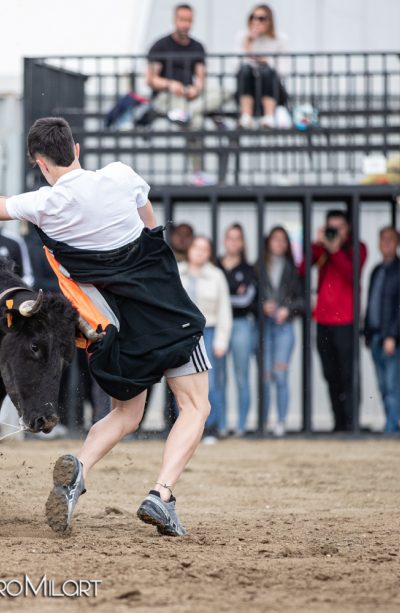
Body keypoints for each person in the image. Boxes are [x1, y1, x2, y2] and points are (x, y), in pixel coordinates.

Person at [0, 117, 211, 537]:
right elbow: (153, 233)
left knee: (127, 413)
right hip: (165, 314)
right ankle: (162, 494)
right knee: (195, 406)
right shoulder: (120, 175)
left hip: (111, 324)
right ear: (76, 149)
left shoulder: (45, 204)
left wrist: (21, 200)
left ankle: (79, 469)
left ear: (40, 163)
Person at [145, 4, 225, 183]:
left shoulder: (197, 47)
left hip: (190, 97)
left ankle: (189, 113)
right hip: (167, 96)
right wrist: (171, 84)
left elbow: (201, 78)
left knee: (223, 93)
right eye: (182, 20)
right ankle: (198, 171)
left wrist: (195, 89)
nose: (185, 24)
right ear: (175, 20)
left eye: (188, 20)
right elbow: (151, 79)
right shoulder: (161, 45)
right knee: (194, 121)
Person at [306, 210, 367, 432]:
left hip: (347, 321)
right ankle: (338, 424)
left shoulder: (357, 248)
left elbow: (353, 273)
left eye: (339, 227)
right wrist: (318, 244)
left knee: (348, 374)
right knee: (330, 374)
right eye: (331, 227)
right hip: (322, 320)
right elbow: (303, 268)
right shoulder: (321, 249)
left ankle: (352, 424)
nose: (335, 232)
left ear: (347, 228)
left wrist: (335, 250)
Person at [179, 236, 232, 442]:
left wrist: (222, 341)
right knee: (183, 381)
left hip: (208, 332)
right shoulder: (176, 271)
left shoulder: (216, 275)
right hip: (182, 334)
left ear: (209, 253)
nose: (200, 252)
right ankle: (187, 428)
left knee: (210, 383)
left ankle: (210, 428)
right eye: (196, 247)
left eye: (205, 249)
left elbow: (224, 310)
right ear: (189, 250)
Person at [259, 226, 305, 436]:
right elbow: (251, 297)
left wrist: (288, 309)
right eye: (275, 239)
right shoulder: (258, 267)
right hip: (264, 326)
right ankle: (265, 420)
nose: (279, 243)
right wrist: (262, 306)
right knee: (266, 376)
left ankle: (281, 422)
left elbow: (303, 300)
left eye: (283, 240)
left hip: (284, 327)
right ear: (268, 241)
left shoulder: (293, 270)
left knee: (280, 374)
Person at [217, 224, 257, 435]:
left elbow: (246, 301)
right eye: (229, 238)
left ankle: (241, 425)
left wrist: (223, 299)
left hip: (241, 325)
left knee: (241, 376)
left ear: (242, 243)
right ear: (224, 240)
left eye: (237, 238)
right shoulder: (215, 266)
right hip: (218, 326)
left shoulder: (249, 269)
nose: (233, 242)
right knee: (219, 377)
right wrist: (233, 295)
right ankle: (222, 425)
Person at [364, 227, 400, 435]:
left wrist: (392, 335)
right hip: (376, 336)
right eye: (383, 239)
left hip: (390, 338)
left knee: (392, 385)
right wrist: (368, 333)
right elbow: (371, 304)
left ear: (398, 243)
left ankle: (393, 427)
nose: (386, 243)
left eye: (390, 239)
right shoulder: (376, 270)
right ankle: (390, 421)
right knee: (382, 385)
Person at [237, 4, 287, 129]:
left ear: (269, 20)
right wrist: (248, 45)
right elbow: (235, 67)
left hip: (272, 89)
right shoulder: (243, 38)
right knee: (245, 70)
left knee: (266, 71)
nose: (256, 22)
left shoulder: (280, 39)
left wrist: (266, 61)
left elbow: (284, 69)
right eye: (253, 18)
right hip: (249, 88)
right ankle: (246, 116)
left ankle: (269, 117)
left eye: (261, 18)